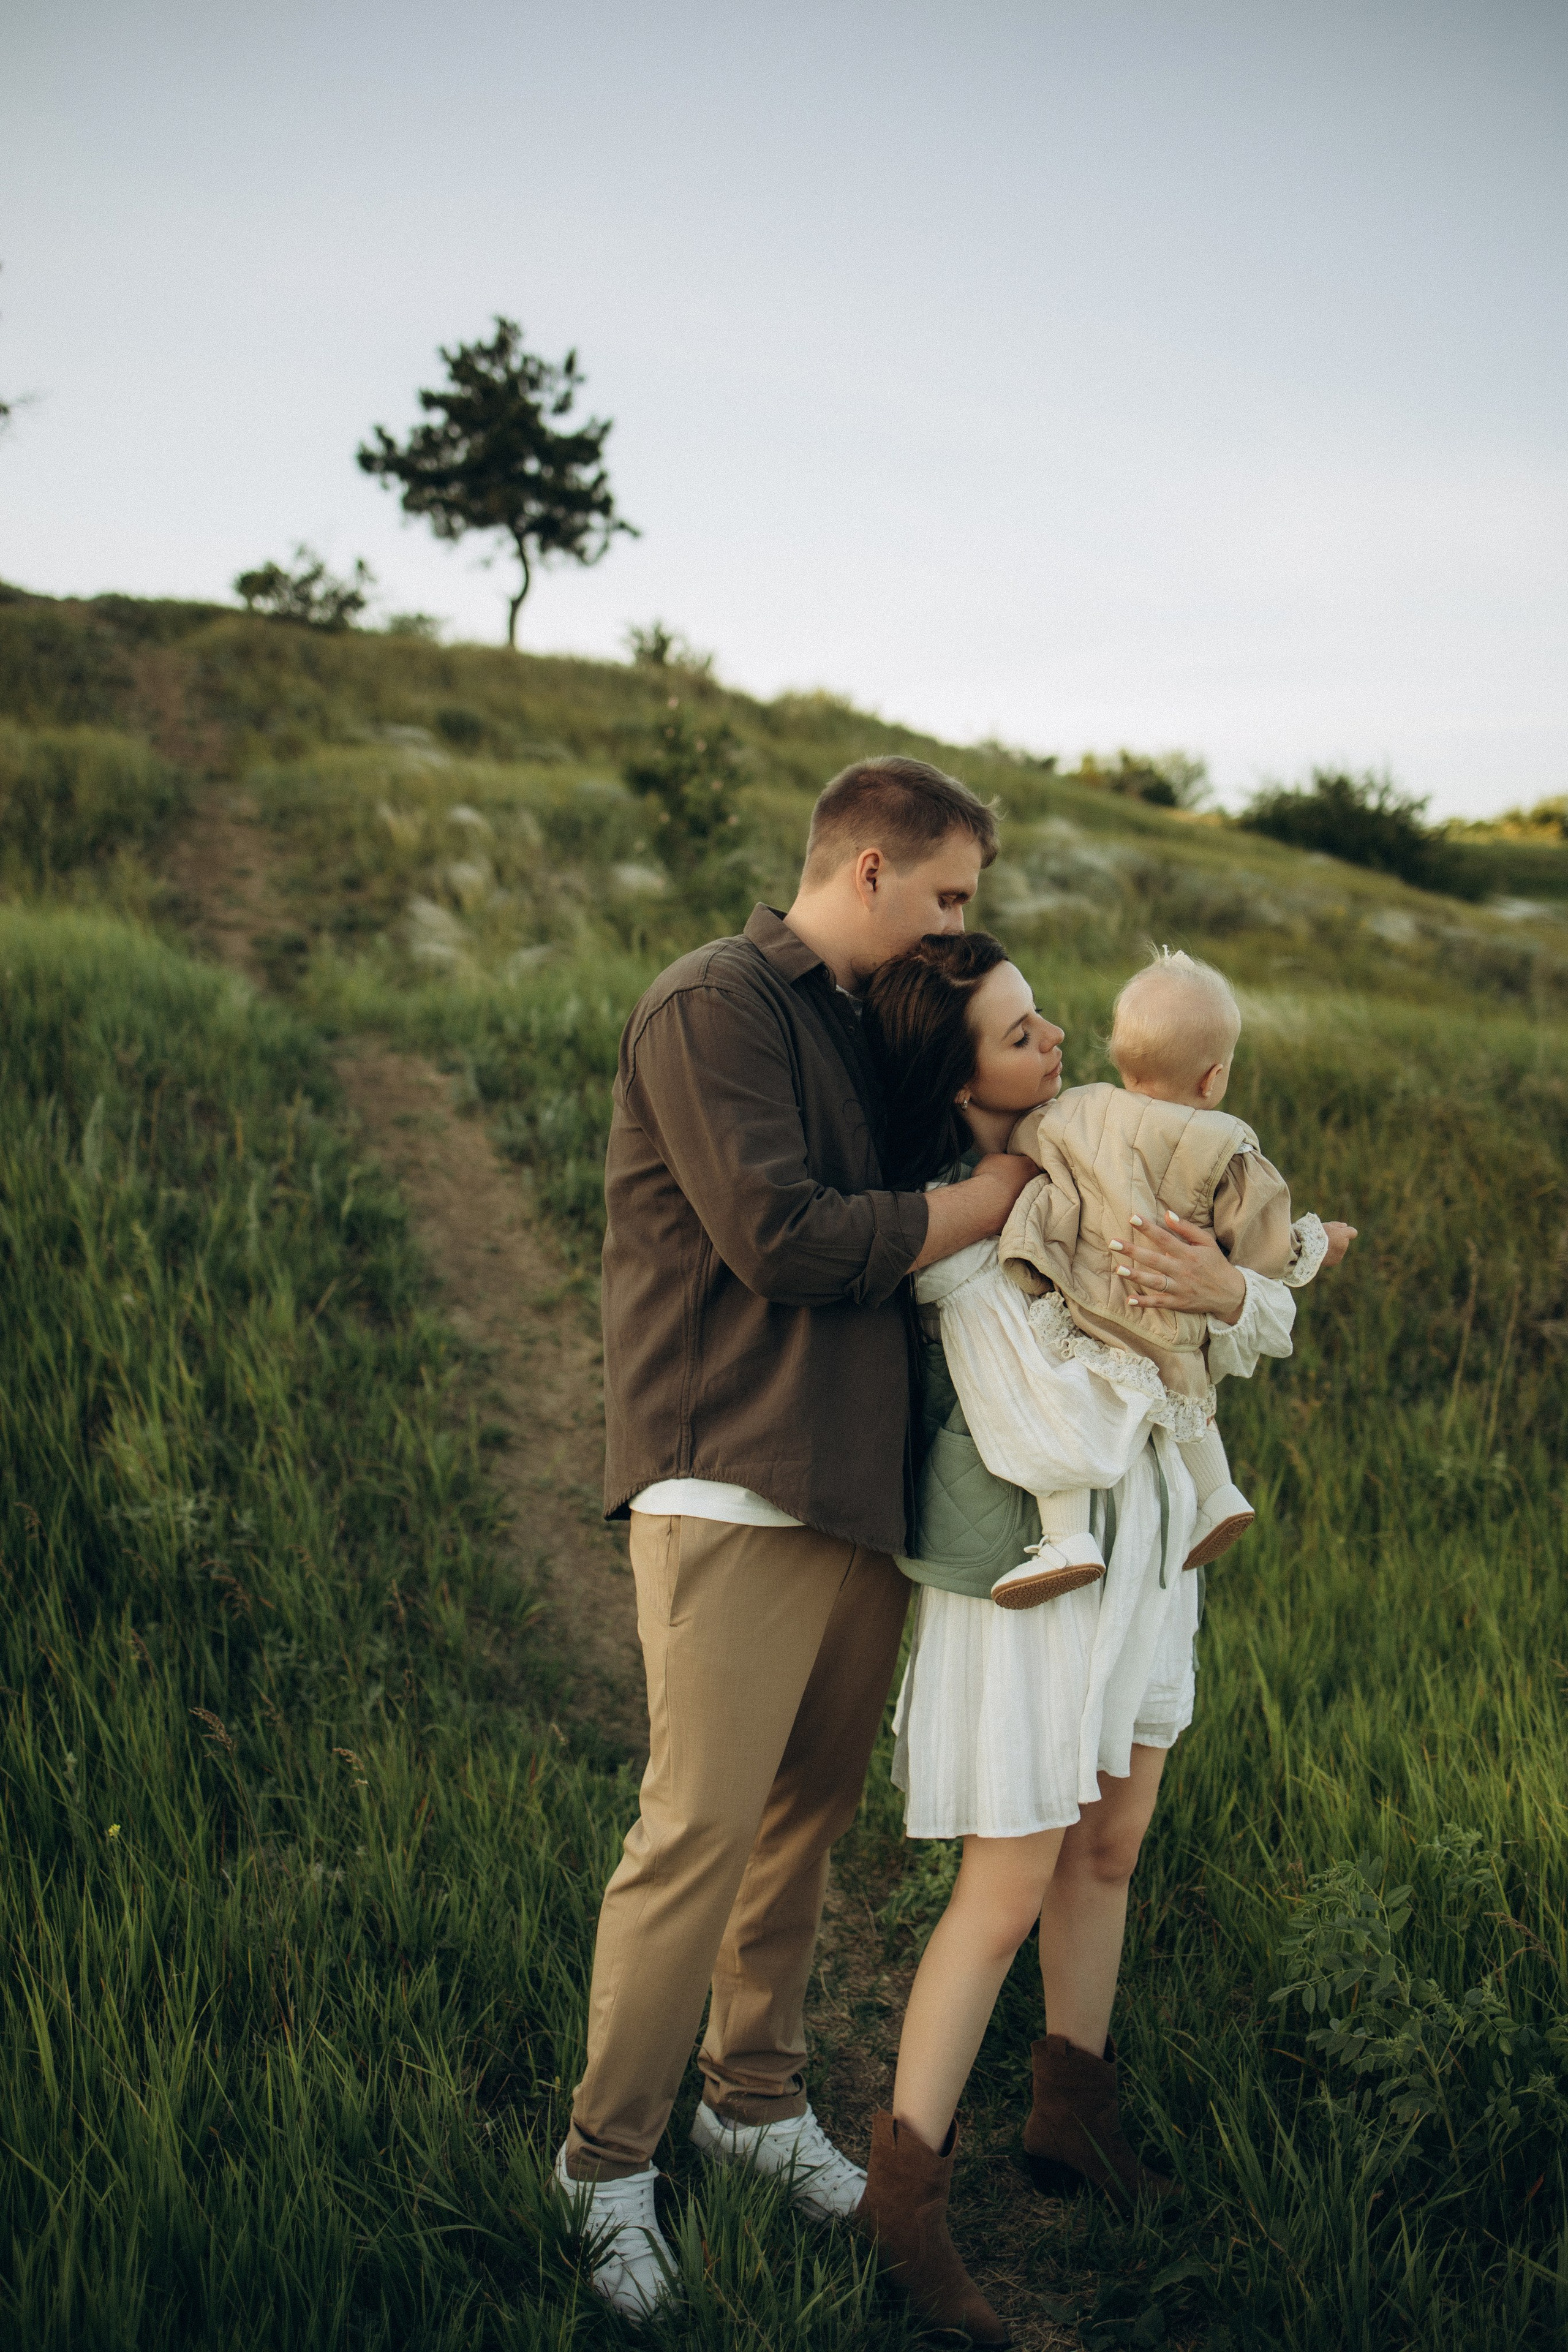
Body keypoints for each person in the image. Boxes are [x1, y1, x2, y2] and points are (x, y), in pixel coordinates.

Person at [555, 759, 1039, 2319]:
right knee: (695, 1829)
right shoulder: (713, 1003)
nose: (956, 926)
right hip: (730, 1474)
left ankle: (748, 2097)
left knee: (799, 1826)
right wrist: (987, 1200)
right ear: (875, 867)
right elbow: (780, 1235)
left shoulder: (862, 1025)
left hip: (854, 1491)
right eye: (949, 895)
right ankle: (601, 2162)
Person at [851, 933, 1355, 2344]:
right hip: (1033, 1578)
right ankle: (907, 2206)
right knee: (1002, 1886)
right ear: (956, 1080)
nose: (1054, 1039)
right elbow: (1064, 1412)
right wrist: (1171, 1322)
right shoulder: (957, 1231)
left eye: (1044, 1019)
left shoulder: (1092, 1158)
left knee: (1112, 1839)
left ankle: (1070, 2110)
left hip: (1145, 1557)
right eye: (1019, 1032)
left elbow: (1237, 1311)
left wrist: (1225, 1293)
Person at [988, 944, 1345, 1610]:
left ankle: (1065, 1538)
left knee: (1063, 1403)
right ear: (1212, 1079)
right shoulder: (1224, 1143)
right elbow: (1260, 1249)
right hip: (1167, 1315)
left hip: (1094, 1305)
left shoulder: (1077, 1109)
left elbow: (1026, 1148)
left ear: (1121, 1055)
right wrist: (1314, 1245)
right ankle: (1217, 1496)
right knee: (1186, 1395)